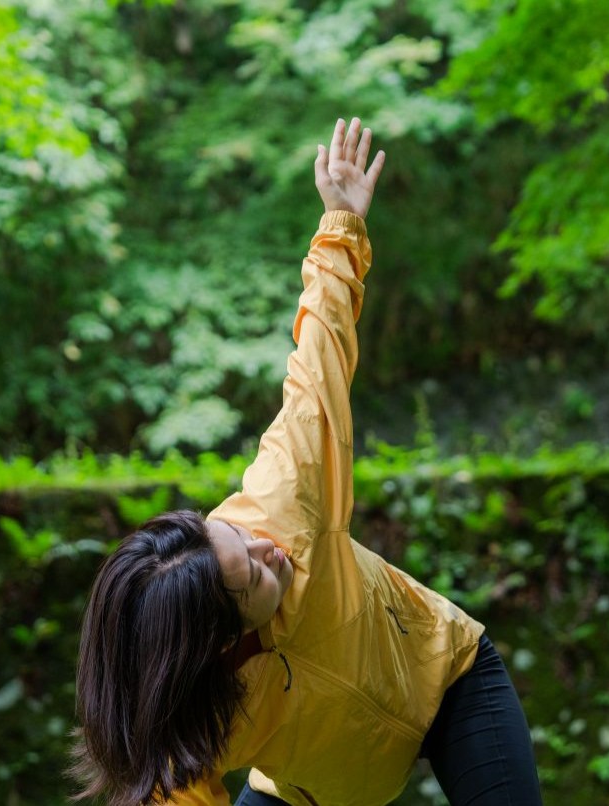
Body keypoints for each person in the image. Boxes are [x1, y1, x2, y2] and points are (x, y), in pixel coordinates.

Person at [70, 118, 543, 806]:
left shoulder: (283, 503)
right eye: (252, 576)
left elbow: (317, 366)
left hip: (447, 679)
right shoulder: (188, 711)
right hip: (312, 789)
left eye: (241, 538)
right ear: (214, 643)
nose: (269, 551)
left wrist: (342, 223)